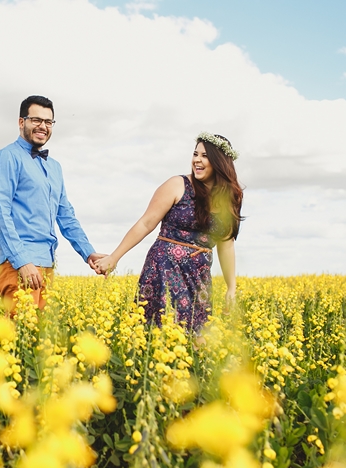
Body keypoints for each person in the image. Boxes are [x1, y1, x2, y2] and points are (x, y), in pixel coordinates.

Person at [94, 133, 243, 333]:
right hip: (164, 268)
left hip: (198, 277)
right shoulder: (177, 185)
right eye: (195, 154)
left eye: (204, 156)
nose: (197, 160)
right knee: (159, 332)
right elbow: (146, 223)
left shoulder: (229, 198)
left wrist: (231, 287)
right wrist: (114, 257)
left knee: (198, 338)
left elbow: (226, 245)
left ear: (220, 162)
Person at [0, 95, 105, 314]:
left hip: (45, 261)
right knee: (16, 339)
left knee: (35, 340)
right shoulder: (6, 158)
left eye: (48, 122)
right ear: (21, 122)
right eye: (36, 120)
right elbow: (0, 215)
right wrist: (22, 261)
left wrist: (88, 252)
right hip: (17, 263)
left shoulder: (54, 167)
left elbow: (65, 215)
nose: (43, 126)